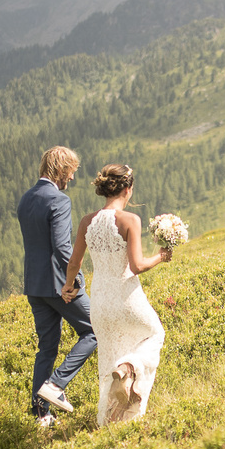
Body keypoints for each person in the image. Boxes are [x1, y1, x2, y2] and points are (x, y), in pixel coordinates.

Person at [61, 164, 171, 424]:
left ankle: (109, 421)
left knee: (108, 357)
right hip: (125, 298)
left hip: (99, 303)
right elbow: (137, 266)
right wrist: (161, 256)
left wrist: (68, 286)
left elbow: (74, 263)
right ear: (128, 189)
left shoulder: (88, 221)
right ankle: (130, 368)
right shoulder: (130, 220)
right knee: (155, 333)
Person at [18, 146, 97, 427]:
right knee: (94, 329)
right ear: (61, 170)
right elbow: (64, 248)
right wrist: (73, 282)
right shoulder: (59, 200)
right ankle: (55, 385)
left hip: (34, 285)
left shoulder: (26, 199)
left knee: (47, 347)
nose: (72, 178)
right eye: (71, 171)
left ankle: (41, 414)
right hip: (57, 285)